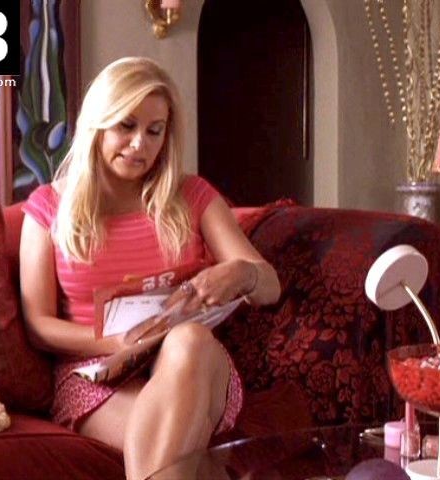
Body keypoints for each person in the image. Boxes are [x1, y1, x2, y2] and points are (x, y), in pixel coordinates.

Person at [19, 57, 281, 479]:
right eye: (126, 126)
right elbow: (38, 326)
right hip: (96, 376)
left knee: (190, 339)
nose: (140, 144)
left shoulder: (192, 194)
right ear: (98, 124)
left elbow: (270, 286)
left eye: (154, 131)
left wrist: (242, 273)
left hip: (194, 366)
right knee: (181, 458)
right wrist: (119, 342)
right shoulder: (49, 208)